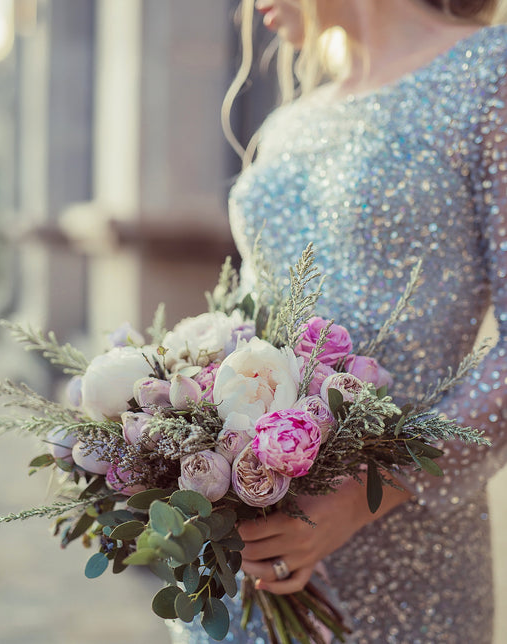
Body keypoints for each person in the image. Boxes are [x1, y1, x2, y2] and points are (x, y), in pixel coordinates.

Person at [168, 0, 507, 642]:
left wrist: (376, 486)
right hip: (244, 559)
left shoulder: (492, 75)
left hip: (407, 565)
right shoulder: (289, 123)